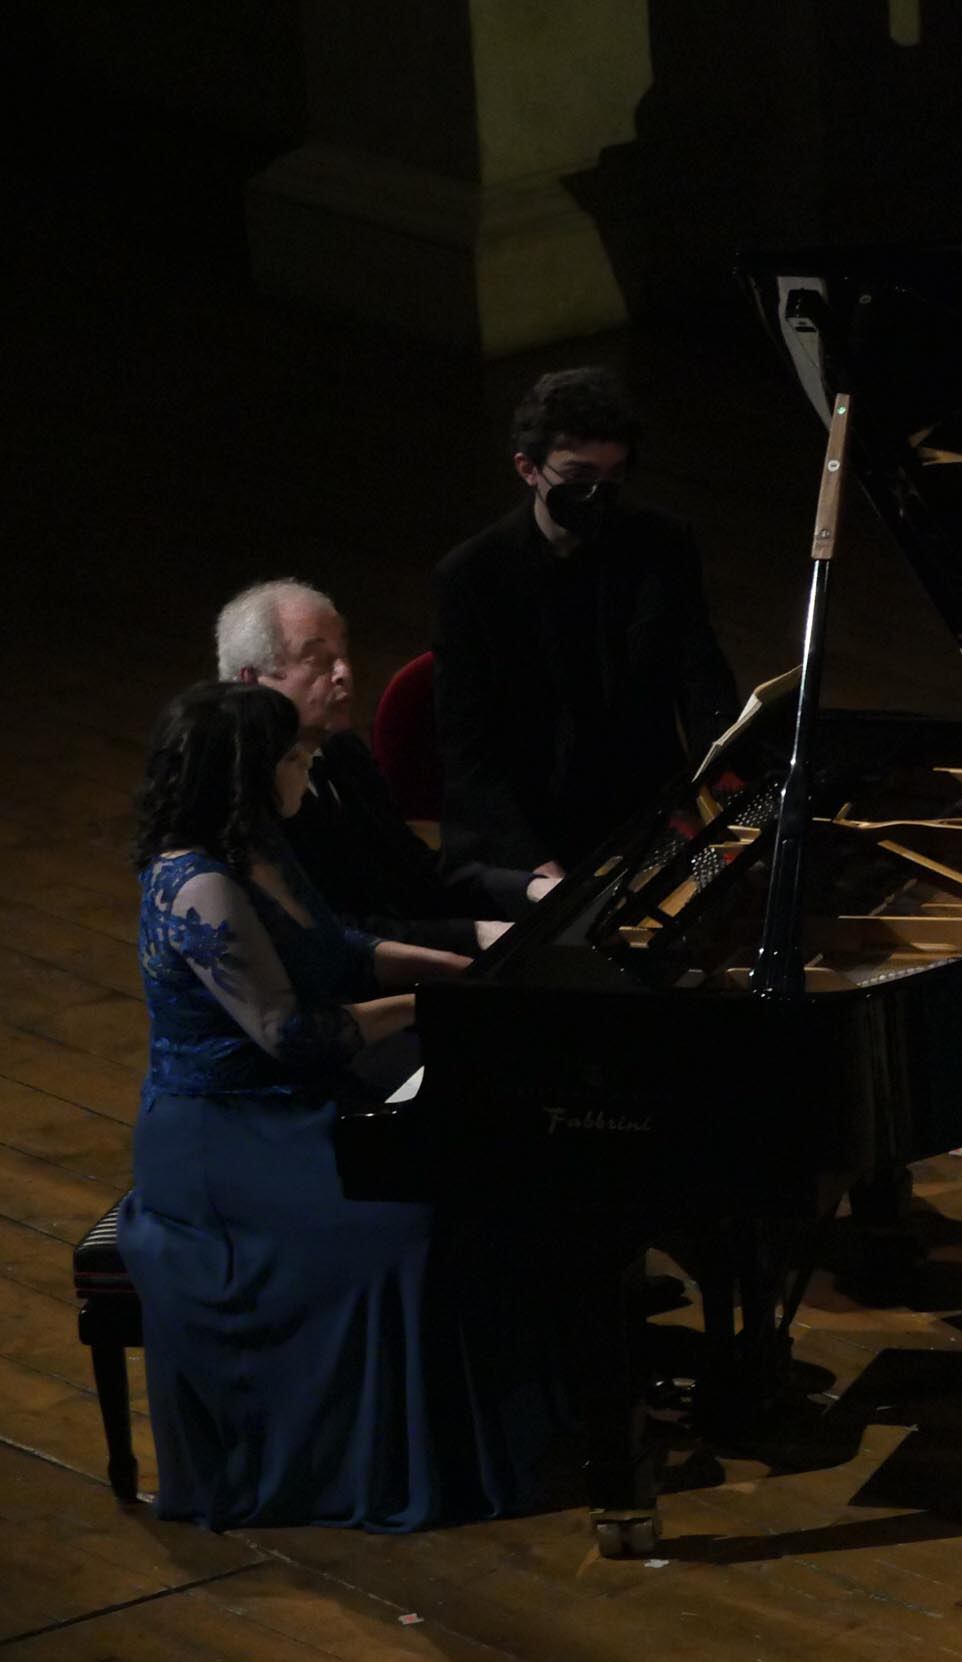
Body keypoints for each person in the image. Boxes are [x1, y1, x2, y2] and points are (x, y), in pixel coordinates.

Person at [119, 682, 557, 1530]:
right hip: (223, 1136)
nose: (308, 764)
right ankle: (384, 1467)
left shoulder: (260, 846)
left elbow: (339, 947)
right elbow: (295, 1033)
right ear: (248, 772)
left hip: (285, 1102)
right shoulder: (197, 886)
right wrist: (436, 1010)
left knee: (473, 1171)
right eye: (294, 756)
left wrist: (455, 969)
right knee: (411, 1222)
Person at [432, 366, 740, 877]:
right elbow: (469, 753)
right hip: (529, 824)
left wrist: (722, 792)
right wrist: (538, 868)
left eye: (613, 476)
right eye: (579, 477)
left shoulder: (661, 545)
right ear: (528, 469)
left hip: (639, 807)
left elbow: (701, 678)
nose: (599, 493)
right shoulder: (471, 577)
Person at [219, 578, 553, 954]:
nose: (344, 672)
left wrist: (529, 888)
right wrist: (475, 935)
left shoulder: (340, 747)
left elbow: (414, 872)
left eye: (343, 653)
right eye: (317, 660)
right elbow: (331, 935)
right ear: (251, 681)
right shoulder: (240, 793)